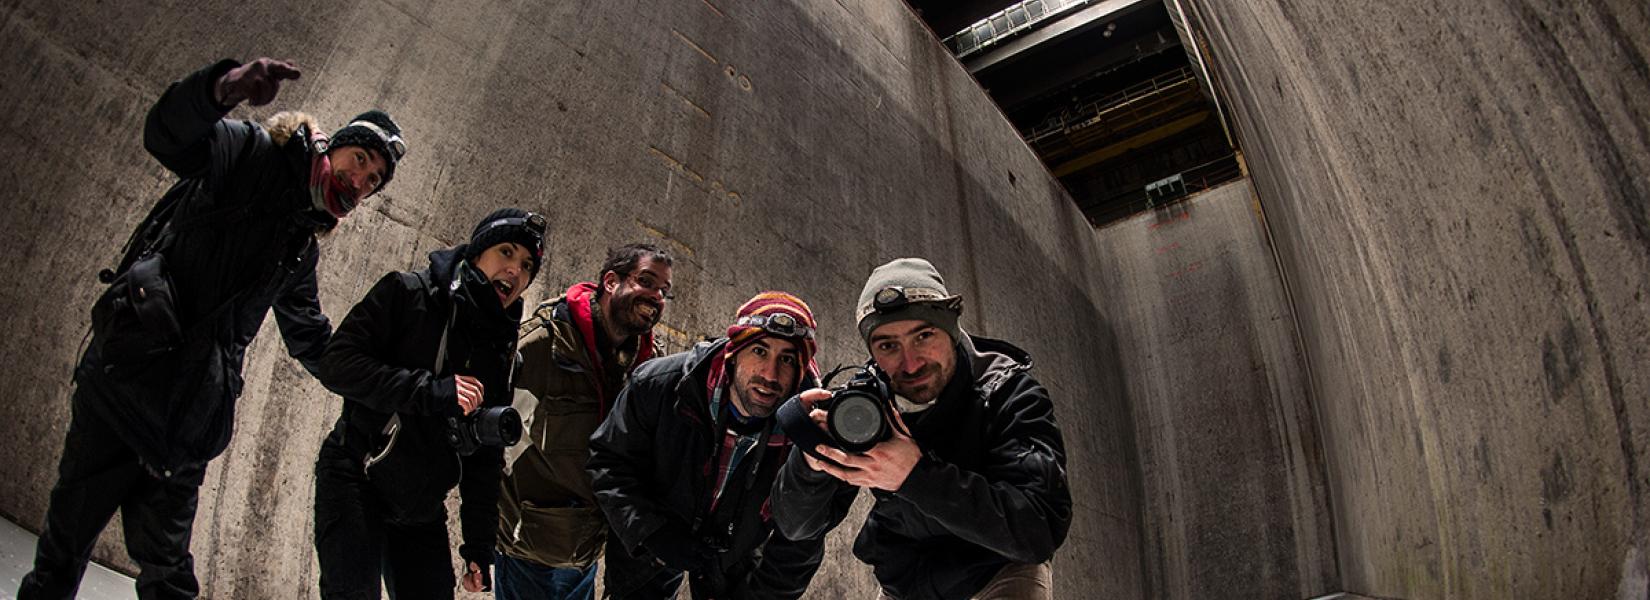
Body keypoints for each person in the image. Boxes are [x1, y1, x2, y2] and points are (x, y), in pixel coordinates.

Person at [20, 57, 405, 600]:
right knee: (61, 558)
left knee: (170, 577)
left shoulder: (299, 250)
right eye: (358, 159)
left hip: (184, 427)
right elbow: (168, 137)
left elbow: (313, 341)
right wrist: (218, 90)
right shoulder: (249, 154)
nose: (358, 180)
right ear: (331, 145)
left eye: (372, 181)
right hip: (120, 390)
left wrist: (383, 392)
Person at [772, 258, 1073, 600]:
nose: (910, 363)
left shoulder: (1007, 394)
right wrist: (812, 463)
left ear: (952, 329)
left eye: (923, 336)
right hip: (907, 582)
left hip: (999, 568)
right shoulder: (869, 405)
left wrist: (915, 476)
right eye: (888, 346)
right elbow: (797, 527)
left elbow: (1038, 531)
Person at [311, 209, 544, 600]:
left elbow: (486, 456)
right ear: (476, 253)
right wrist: (433, 392)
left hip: (420, 503)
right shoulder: (408, 293)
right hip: (358, 476)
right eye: (505, 252)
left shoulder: (501, 350)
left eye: (526, 266)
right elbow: (338, 365)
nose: (515, 271)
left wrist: (479, 545)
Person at [588, 292, 831, 599]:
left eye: (786, 359)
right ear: (733, 352)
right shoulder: (659, 385)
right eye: (759, 350)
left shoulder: (812, 429)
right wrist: (649, 531)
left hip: (739, 561)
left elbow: (801, 541)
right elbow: (609, 462)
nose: (770, 375)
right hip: (650, 548)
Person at [494, 243, 674, 599]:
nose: (656, 296)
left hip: (587, 554)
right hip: (530, 552)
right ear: (611, 281)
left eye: (664, 291)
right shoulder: (542, 345)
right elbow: (492, 443)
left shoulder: (647, 367)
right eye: (647, 281)